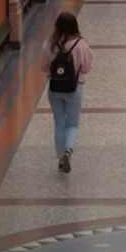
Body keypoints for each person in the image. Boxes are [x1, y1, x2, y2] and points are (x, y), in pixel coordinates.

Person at [41, 11, 93, 173]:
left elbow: (43, 67)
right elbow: (86, 68)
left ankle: (60, 159)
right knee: (72, 124)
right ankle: (68, 151)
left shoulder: (49, 44)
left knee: (59, 124)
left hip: (54, 88)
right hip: (74, 88)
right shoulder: (80, 44)